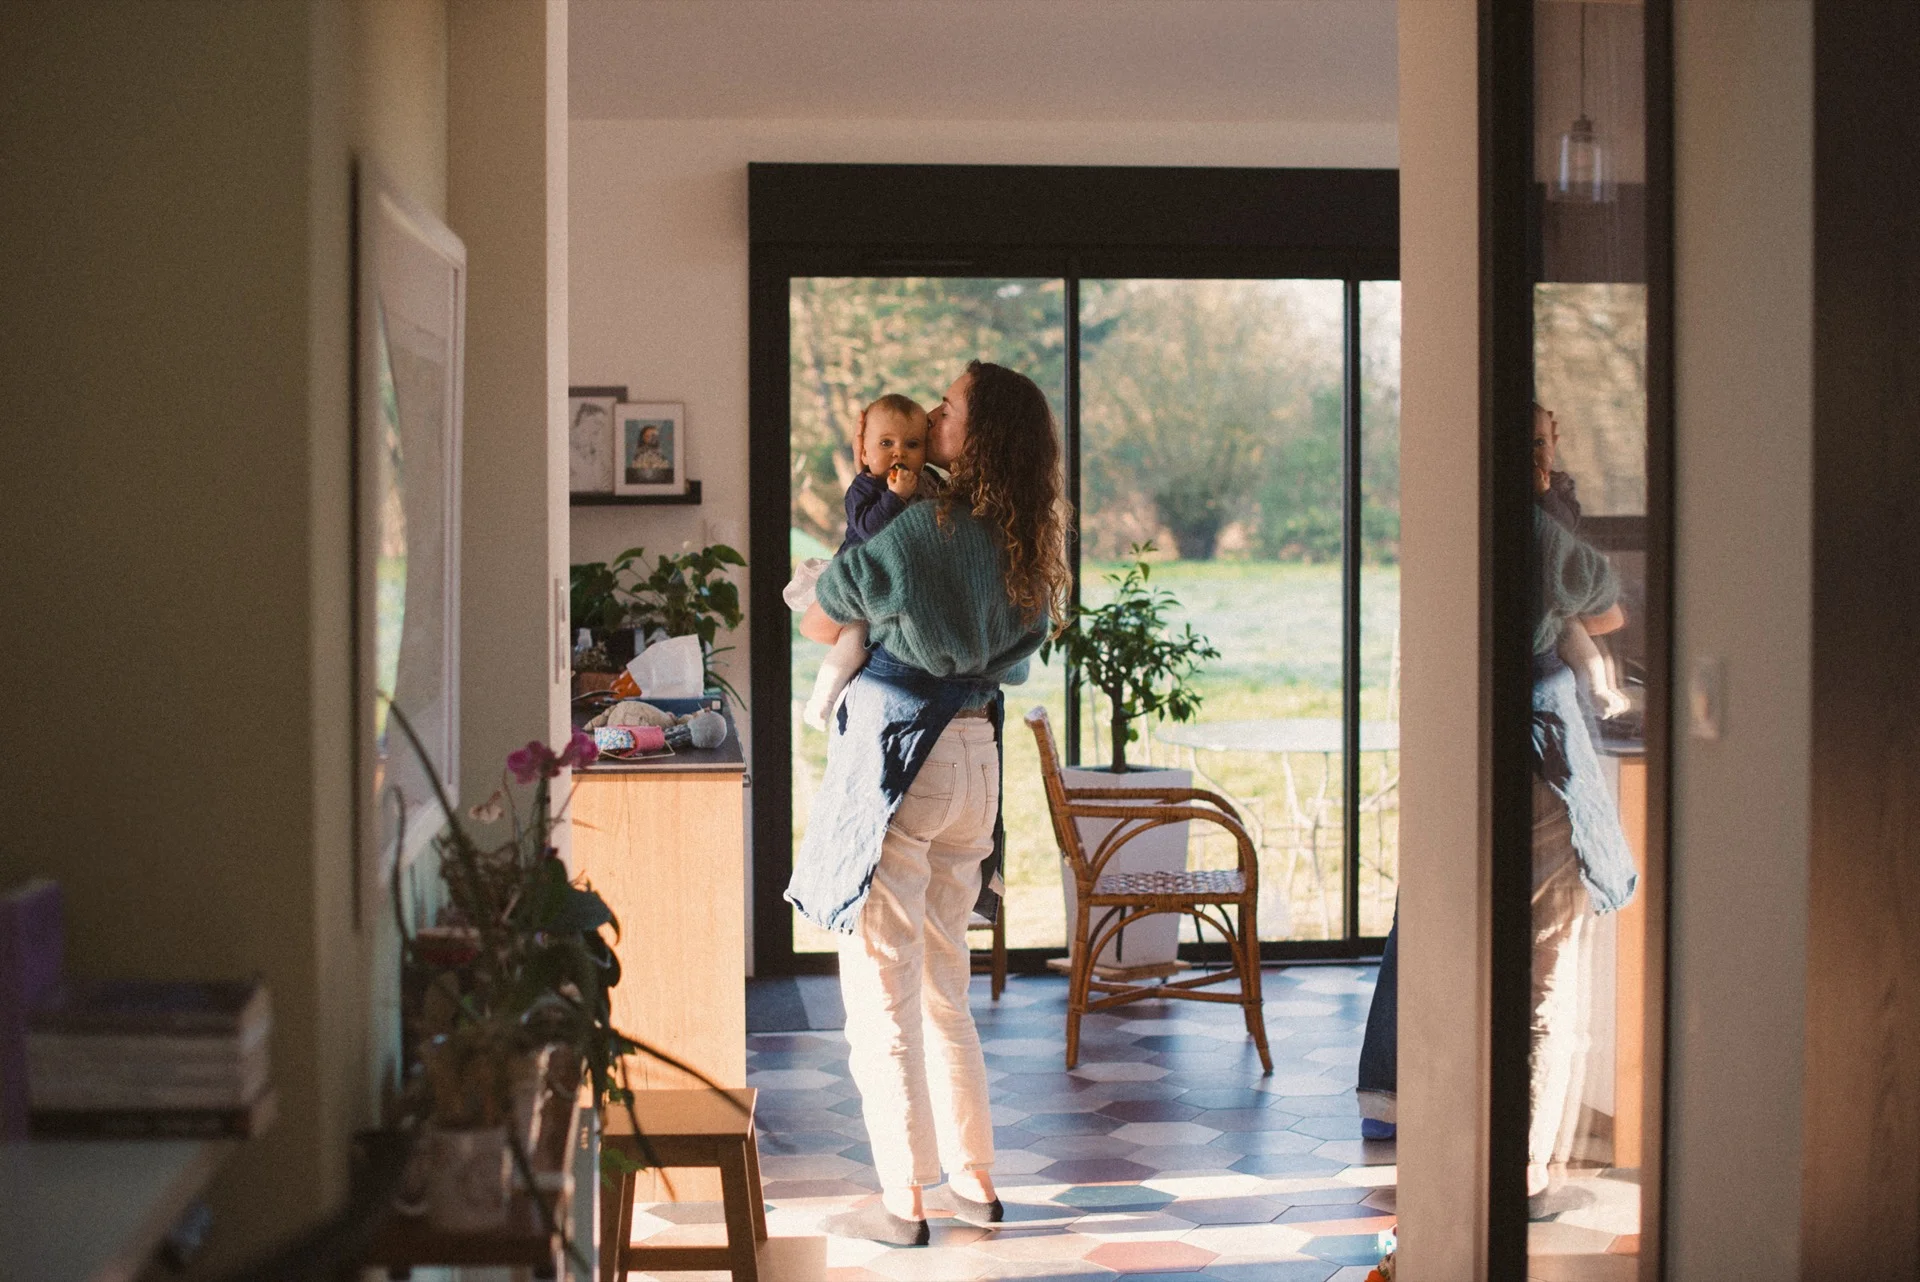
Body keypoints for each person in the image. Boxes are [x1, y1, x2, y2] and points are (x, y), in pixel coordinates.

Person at [785, 361, 1068, 1247]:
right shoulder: (1023, 536)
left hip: (906, 761)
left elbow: (829, 609)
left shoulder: (920, 532)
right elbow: (1018, 656)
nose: (935, 413)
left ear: (973, 437)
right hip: (976, 763)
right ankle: (976, 1184)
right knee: (947, 986)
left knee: (880, 990)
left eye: (949, 407)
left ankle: (905, 1201)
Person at [1528, 449, 1638, 1207]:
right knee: (1546, 972)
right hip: (1541, 753)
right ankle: (1526, 1173)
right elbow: (1608, 611)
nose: (1553, 455)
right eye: (1538, 441)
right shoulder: (1542, 534)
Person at [784, 393, 930, 729]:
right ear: (864, 452)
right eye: (886, 442)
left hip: (888, 585)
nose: (899, 452)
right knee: (853, 645)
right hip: (857, 581)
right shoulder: (863, 488)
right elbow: (868, 528)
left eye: (912, 444)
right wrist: (895, 497)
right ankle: (821, 700)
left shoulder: (923, 487)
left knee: (870, 645)